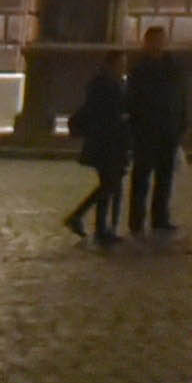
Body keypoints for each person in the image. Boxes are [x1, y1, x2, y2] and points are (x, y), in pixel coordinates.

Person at [117, 25, 192, 242]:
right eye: (155, 40)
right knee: (141, 176)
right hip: (146, 130)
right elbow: (132, 99)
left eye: (162, 40)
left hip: (168, 130)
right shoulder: (139, 69)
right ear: (147, 42)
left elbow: (182, 96)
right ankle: (137, 220)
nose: (159, 44)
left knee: (165, 177)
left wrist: (182, 122)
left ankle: (160, 217)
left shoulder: (173, 67)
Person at [61, 64, 125, 249]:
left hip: (106, 144)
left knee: (109, 185)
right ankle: (85, 219)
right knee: (110, 184)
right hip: (107, 145)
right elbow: (111, 116)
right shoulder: (109, 90)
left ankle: (101, 227)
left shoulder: (103, 87)